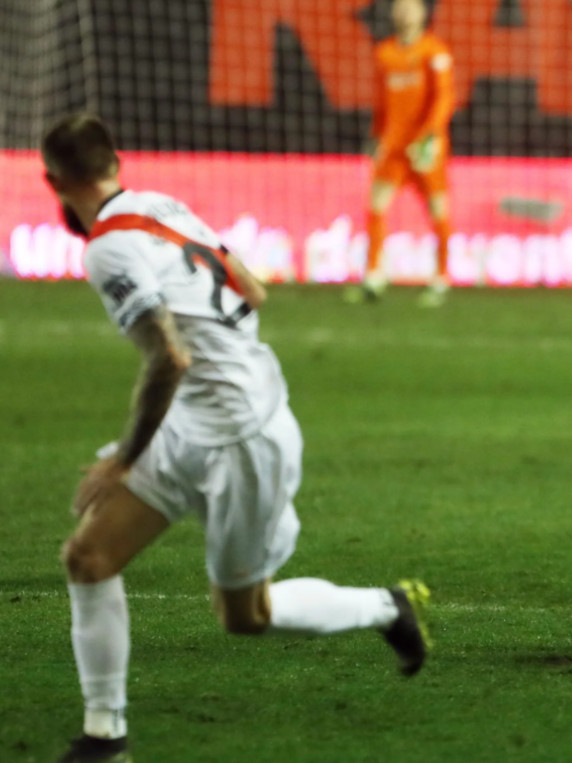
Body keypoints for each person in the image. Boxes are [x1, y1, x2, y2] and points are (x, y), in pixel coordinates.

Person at [43, 113, 432, 763]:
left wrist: (124, 461)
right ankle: (104, 737)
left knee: (242, 615)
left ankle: (382, 606)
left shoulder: (108, 246)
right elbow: (253, 287)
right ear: (115, 160)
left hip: (241, 436)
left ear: (53, 181)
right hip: (196, 420)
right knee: (88, 557)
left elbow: (169, 358)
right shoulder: (161, 204)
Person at [349, 0, 455, 307]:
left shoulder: (435, 52)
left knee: (438, 211)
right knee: (376, 206)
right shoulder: (384, 53)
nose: (404, 13)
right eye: (400, 8)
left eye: (411, 8)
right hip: (393, 147)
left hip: (424, 147)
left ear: (423, 13)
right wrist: (376, 137)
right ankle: (373, 277)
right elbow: (382, 102)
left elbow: (444, 98)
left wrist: (430, 136)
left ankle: (441, 278)